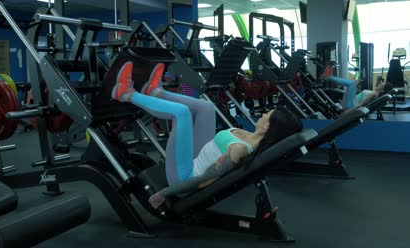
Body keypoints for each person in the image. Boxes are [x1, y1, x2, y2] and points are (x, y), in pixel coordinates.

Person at [111, 62, 303, 209]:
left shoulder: (239, 150)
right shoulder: (248, 135)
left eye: (266, 115)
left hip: (184, 177)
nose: (262, 114)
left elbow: (204, 179)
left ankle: (125, 94)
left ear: (267, 127)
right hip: (197, 157)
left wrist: (165, 192)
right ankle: (155, 92)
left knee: (181, 113)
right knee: (206, 107)